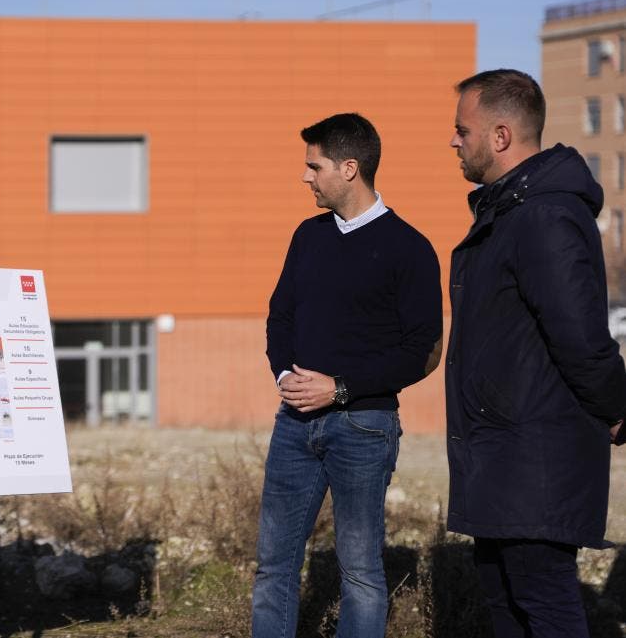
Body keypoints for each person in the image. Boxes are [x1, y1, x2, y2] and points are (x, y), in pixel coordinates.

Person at [445, 68, 626, 638]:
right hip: (502, 455)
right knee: (505, 600)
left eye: (462, 130)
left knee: (543, 603)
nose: (453, 141)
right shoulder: (509, 212)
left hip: (534, 457)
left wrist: (617, 405)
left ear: (500, 137)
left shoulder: (544, 216)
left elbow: (579, 334)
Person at [254, 113, 443, 638]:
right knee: (273, 566)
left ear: (349, 167)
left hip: (364, 427)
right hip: (293, 423)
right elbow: (280, 315)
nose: (305, 177)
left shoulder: (410, 248)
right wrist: (283, 376)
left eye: (314, 166)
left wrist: (339, 388)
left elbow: (422, 351)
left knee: (360, 573)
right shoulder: (307, 236)